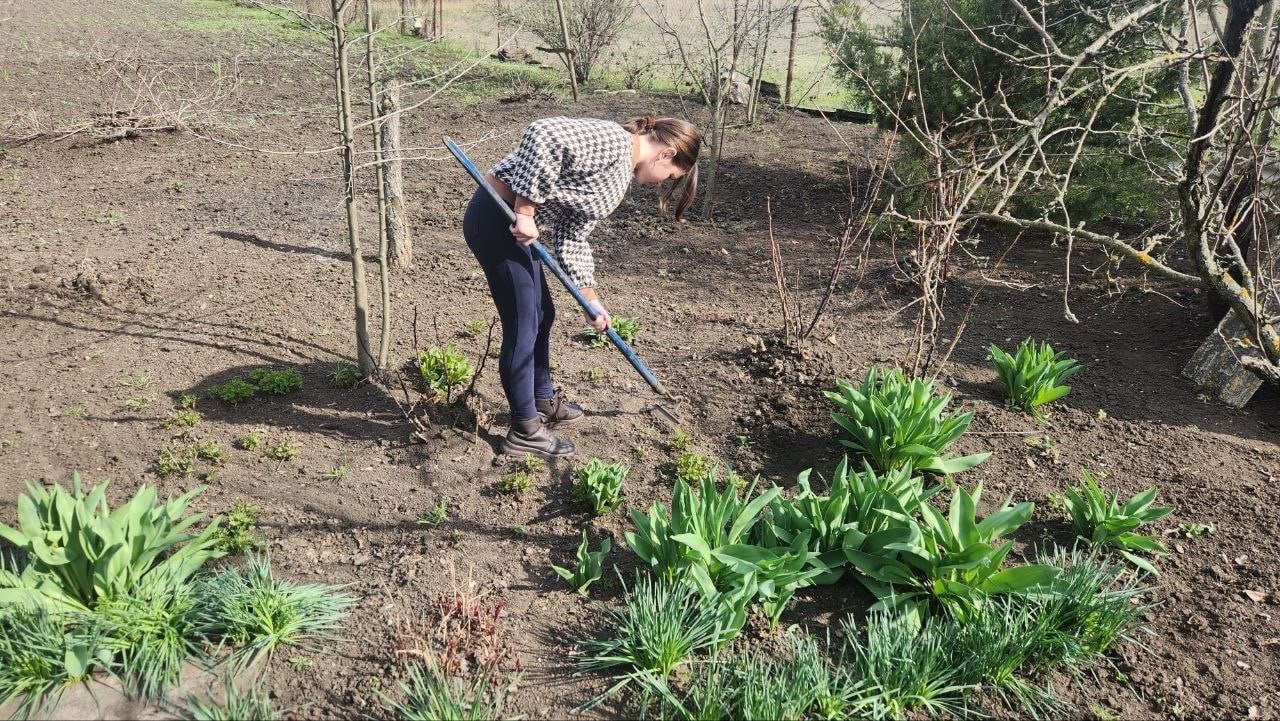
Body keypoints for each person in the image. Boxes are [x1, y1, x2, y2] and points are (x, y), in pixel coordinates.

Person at [463, 115, 702, 458]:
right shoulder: (614, 142)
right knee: (524, 323)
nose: (661, 184)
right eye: (671, 177)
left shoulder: (620, 175)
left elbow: (572, 237)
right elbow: (542, 133)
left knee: (543, 314)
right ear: (666, 154)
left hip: (514, 231)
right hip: (497, 219)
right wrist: (526, 211)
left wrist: (591, 300)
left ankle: (542, 399)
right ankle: (525, 430)